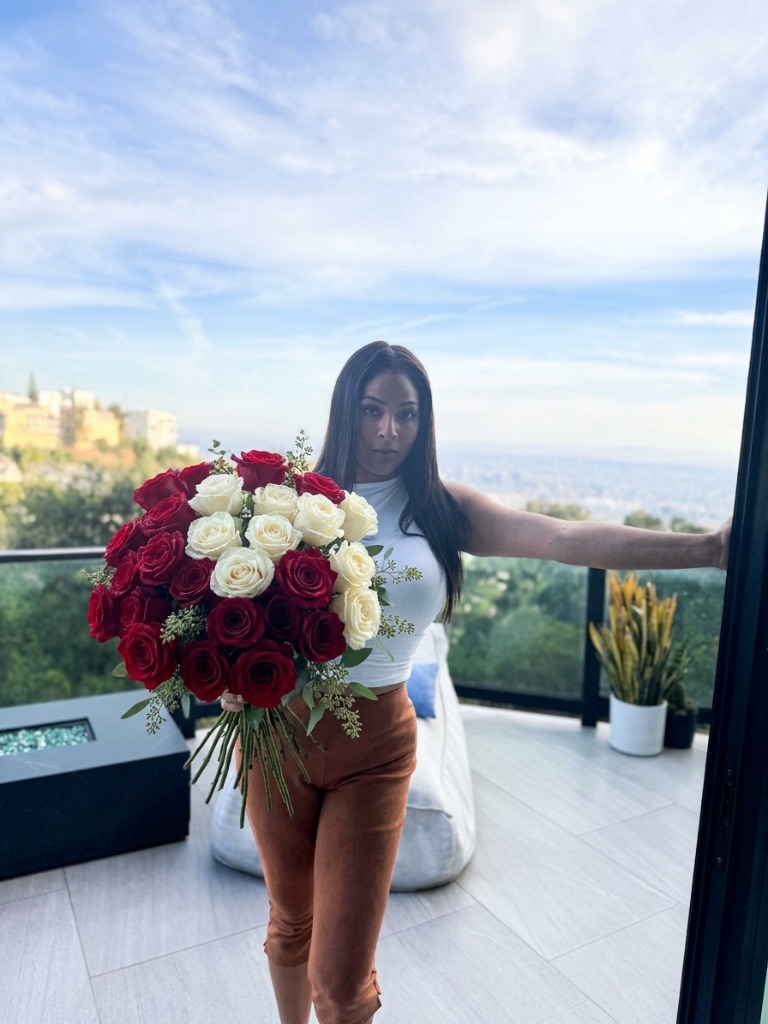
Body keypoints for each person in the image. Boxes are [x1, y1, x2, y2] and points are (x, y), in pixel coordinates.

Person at [221, 340, 731, 1024]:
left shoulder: (439, 508)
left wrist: (709, 549)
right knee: (291, 921)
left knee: (341, 987)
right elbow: (223, 612)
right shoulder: (285, 503)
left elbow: (561, 538)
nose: (388, 431)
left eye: (406, 414)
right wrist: (226, 679)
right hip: (277, 735)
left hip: (375, 747)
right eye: (372, 410)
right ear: (346, 411)